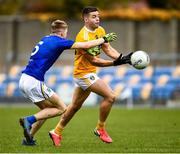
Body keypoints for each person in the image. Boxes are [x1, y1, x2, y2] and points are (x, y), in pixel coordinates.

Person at [19, 19, 117, 146]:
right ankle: (29, 120)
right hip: (34, 81)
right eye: (66, 33)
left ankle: (29, 139)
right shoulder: (59, 41)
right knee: (61, 108)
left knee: (46, 110)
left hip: (23, 80)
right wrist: (103, 39)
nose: (66, 35)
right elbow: (85, 45)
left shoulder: (45, 38)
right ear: (61, 33)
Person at [49, 7, 133, 146]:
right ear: (86, 19)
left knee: (75, 106)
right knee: (110, 96)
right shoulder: (83, 37)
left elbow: (107, 48)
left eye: (98, 16)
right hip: (83, 74)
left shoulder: (100, 30)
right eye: (94, 16)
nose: (98, 19)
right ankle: (100, 128)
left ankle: (56, 131)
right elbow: (94, 61)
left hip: (87, 73)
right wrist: (115, 63)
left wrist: (122, 58)